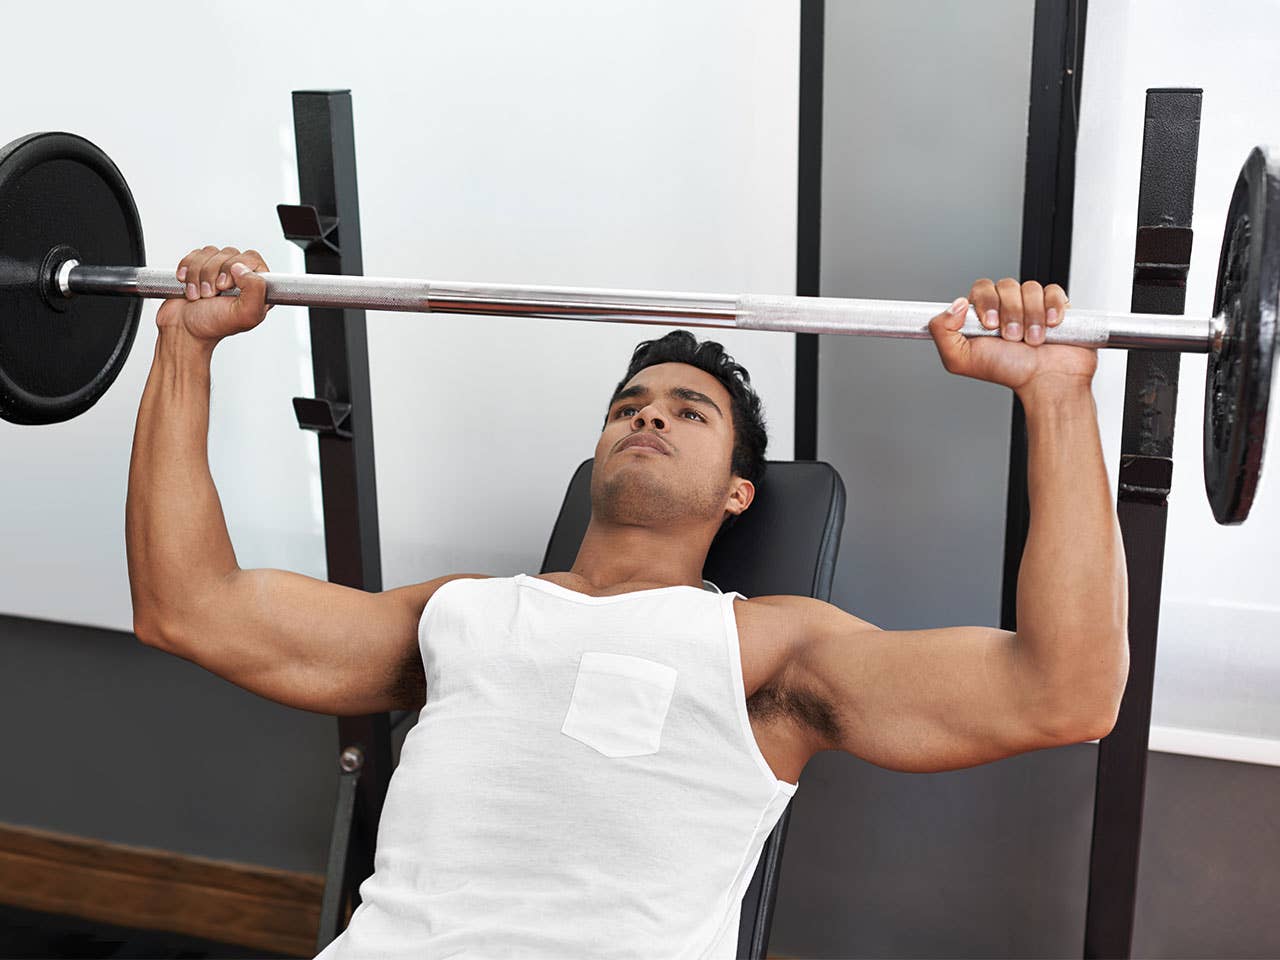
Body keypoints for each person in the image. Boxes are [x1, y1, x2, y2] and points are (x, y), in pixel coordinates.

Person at [128, 246, 1128, 958]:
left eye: (689, 411)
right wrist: (184, 343)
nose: (649, 416)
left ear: (738, 492)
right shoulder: (462, 615)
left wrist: (1055, 400)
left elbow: (1064, 693)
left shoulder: (768, 650)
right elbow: (189, 606)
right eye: (629, 406)